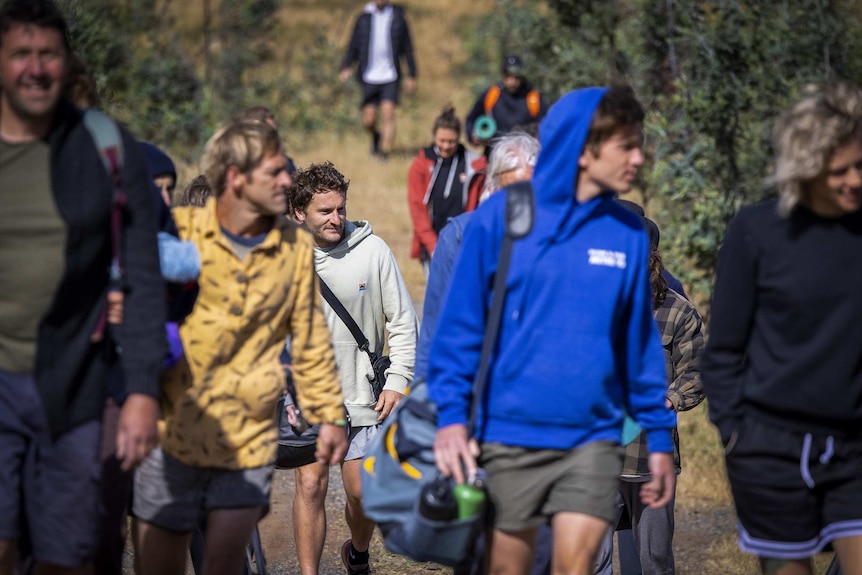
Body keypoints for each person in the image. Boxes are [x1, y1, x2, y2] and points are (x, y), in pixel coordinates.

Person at [429, 86, 677, 575]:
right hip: (508, 437)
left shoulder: (626, 234)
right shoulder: (500, 219)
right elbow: (458, 331)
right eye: (626, 145)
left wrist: (660, 439)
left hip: (592, 439)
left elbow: (640, 347)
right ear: (585, 149)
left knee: (575, 566)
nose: (638, 156)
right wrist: (452, 418)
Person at [131, 121, 348, 575]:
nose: (287, 179)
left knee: (226, 556)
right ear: (236, 178)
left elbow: (309, 336)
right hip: (174, 428)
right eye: (274, 172)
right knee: (163, 556)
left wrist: (328, 414)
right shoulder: (180, 231)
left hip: (248, 433)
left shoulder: (288, 249)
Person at [0, 1, 166, 573]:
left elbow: (144, 276)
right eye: (21, 53)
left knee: (66, 555)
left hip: (72, 386)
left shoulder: (105, 147)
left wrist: (142, 388)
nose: (35, 68)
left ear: (66, 63)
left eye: (48, 53)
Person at [701, 80, 862, 575]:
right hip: (769, 450)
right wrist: (734, 435)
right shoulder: (757, 231)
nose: (855, 179)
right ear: (807, 169)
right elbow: (723, 349)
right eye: (840, 171)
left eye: (861, 165)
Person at [289, 161, 418, 575]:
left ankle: (358, 553)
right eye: (324, 211)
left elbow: (401, 322)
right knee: (310, 485)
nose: (336, 218)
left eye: (340, 208)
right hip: (309, 395)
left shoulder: (373, 250)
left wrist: (397, 381)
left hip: (364, 396)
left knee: (361, 493)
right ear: (298, 213)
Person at [594, 213, 705, 575]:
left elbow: (700, 369)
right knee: (587, 559)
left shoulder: (677, 312)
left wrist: (670, 399)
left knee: (655, 562)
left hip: (649, 460)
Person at [414, 130, 539, 384]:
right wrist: (422, 391)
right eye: (512, 191)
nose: (520, 202)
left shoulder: (558, 241)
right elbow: (435, 327)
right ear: (492, 187)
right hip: (473, 386)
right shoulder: (459, 237)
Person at [407, 106, 486, 275]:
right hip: (431, 243)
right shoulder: (421, 165)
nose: (446, 146)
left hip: (463, 241)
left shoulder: (474, 164)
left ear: (459, 139)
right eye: (441, 140)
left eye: (451, 141)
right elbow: (417, 209)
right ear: (434, 136)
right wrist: (432, 245)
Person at [340, 0, 417, 160]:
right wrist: (347, 65)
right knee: (369, 120)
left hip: (390, 74)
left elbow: (407, 47)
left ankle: (384, 153)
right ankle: (376, 136)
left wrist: (412, 74)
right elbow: (353, 44)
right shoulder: (363, 17)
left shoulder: (398, 17)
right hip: (369, 75)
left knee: (388, 114)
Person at [464, 55, 548, 152]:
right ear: (503, 75)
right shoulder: (492, 95)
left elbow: (545, 126)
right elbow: (471, 119)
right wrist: (473, 135)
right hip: (494, 156)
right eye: (508, 75)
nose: (512, 81)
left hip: (524, 157)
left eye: (516, 76)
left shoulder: (534, 98)